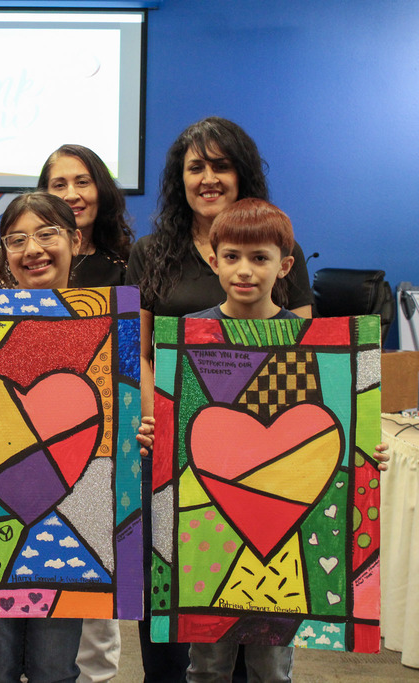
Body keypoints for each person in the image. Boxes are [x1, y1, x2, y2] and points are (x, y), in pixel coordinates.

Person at [135, 198, 389, 682]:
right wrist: (158, 433)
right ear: (213, 261)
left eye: (260, 258)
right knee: (206, 665)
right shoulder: (188, 338)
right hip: (211, 525)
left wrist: (365, 447)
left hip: (285, 522)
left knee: (272, 668)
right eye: (231, 256)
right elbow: (184, 427)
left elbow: (329, 422)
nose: (244, 270)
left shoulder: (310, 340)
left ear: (285, 266)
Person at [127, 117, 315, 682]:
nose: (208, 178)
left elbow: (304, 367)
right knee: (187, 616)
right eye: (195, 167)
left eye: (220, 165)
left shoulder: (283, 244)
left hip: (265, 461)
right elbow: (143, 356)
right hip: (178, 454)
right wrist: (153, 417)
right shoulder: (151, 251)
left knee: (265, 639)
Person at [0, 191, 94, 683]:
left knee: (53, 665)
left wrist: (138, 430)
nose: (33, 249)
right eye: (17, 239)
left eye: (47, 234)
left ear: (75, 239)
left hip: (71, 525)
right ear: (4, 252)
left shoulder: (104, 322)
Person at [38, 144, 133, 682]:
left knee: (99, 580)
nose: (72, 194)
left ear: (101, 187)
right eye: (58, 184)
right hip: (39, 433)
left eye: (83, 181)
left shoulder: (126, 267)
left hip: (105, 441)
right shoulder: (25, 263)